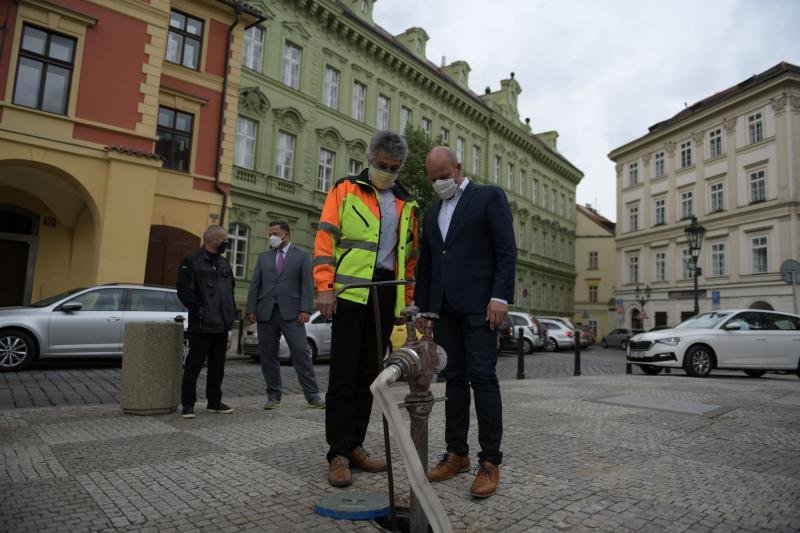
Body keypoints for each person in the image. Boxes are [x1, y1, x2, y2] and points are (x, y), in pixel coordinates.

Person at [314, 130, 419, 488]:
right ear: (369, 159)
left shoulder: (407, 203)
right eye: (381, 165)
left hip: (386, 295)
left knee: (368, 377)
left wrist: (407, 301)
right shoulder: (344, 189)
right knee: (343, 376)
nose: (387, 172)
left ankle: (356, 445)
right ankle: (338, 453)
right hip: (350, 292)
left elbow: (409, 258)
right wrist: (325, 287)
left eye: (393, 167)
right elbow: (326, 238)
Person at [414, 146, 516, 498]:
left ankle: (489, 461)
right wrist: (425, 310)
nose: (439, 183)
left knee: (482, 377)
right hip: (445, 308)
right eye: (433, 180)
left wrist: (500, 297)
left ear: (458, 168)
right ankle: (456, 453)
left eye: (444, 176)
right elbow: (427, 264)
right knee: (453, 379)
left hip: (481, 304)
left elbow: (506, 249)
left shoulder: (488, 197)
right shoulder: (430, 214)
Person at [246, 220, 324, 410]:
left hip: (292, 314)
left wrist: (306, 309)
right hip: (266, 313)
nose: (270, 237)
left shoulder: (302, 256)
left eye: (274, 233)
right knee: (268, 356)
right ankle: (273, 396)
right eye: (269, 233)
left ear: (285, 235)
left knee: (300, 353)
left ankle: (313, 396)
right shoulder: (264, 257)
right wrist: (251, 308)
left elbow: (306, 285)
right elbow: (256, 284)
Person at [176, 224, 238, 419]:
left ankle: (214, 401)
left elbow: (230, 290)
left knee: (217, 366)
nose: (226, 243)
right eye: (225, 239)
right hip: (202, 324)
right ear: (213, 240)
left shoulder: (223, 264)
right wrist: (201, 310)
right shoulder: (191, 261)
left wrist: (229, 315)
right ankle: (188, 404)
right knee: (194, 365)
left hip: (221, 324)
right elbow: (185, 292)